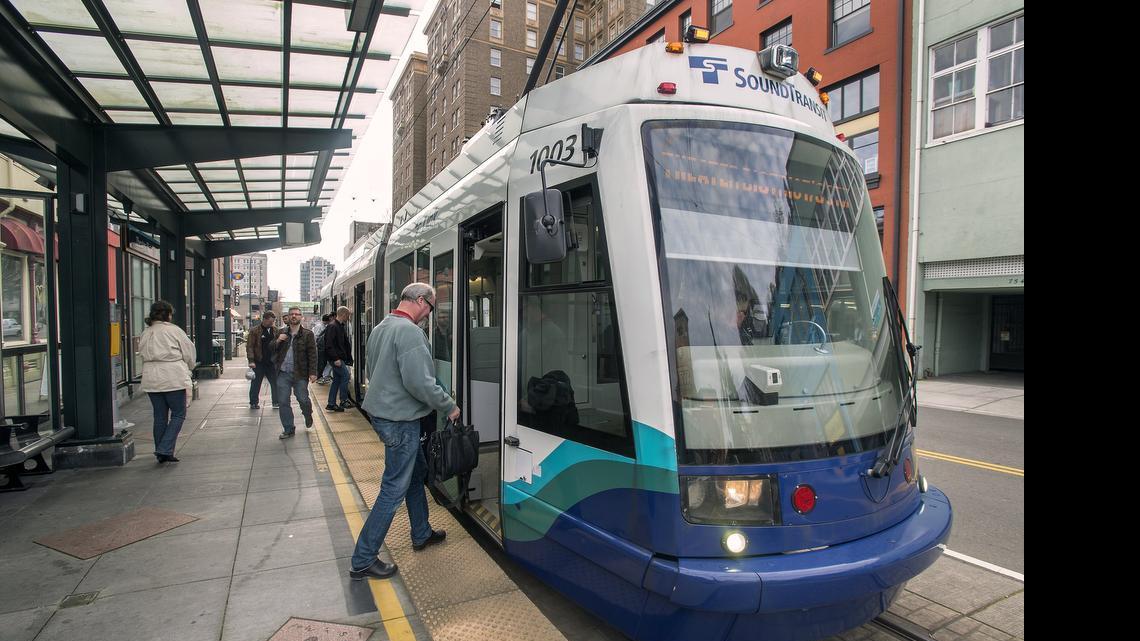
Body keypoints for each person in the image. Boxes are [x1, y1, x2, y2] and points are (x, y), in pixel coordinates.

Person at [349, 283, 460, 580]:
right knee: (393, 489)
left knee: (415, 476)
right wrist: (449, 406)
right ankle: (363, 558)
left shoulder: (382, 326)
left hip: (386, 416)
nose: (429, 314)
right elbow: (420, 383)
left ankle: (421, 532)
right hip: (401, 421)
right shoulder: (410, 332)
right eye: (431, 307)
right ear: (421, 301)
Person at [138, 300, 195, 464]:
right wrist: (190, 367)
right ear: (168, 314)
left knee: (160, 416)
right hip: (172, 376)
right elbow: (189, 351)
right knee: (178, 414)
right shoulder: (173, 331)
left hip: (151, 377)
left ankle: (162, 451)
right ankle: (164, 448)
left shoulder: (146, 332)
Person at [273, 306, 318, 439]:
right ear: (288, 317)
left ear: (301, 317)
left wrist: (313, 372)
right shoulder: (281, 332)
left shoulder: (308, 334)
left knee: (303, 399)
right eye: (291, 314)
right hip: (283, 373)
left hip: (300, 373)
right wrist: (278, 340)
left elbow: (312, 354)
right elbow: (271, 348)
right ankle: (288, 428)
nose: (294, 316)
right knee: (283, 401)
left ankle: (307, 413)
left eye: (297, 314)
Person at [245, 311, 280, 409]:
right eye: (269, 322)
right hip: (259, 361)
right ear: (264, 319)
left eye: (273, 322)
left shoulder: (276, 330)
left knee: (275, 382)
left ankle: (276, 402)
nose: (271, 324)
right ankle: (253, 402)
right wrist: (251, 360)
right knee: (256, 383)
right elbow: (250, 346)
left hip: (272, 362)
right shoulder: (255, 331)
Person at [324, 306, 354, 412]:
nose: (348, 318)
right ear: (343, 314)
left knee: (336, 380)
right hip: (336, 359)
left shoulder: (338, 326)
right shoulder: (333, 327)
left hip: (337, 358)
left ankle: (331, 403)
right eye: (348, 316)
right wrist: (336, 358)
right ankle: (343, 400)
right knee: (346, 376)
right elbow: (329, 344)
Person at [314, 313, 334, 384]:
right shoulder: (319, 326)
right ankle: (319, 377)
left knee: (324, 362)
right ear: (326, 321)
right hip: (320, 348)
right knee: (321, 363)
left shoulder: (324, 326)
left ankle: (322, 376)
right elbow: (316, 337)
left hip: (322, 347)